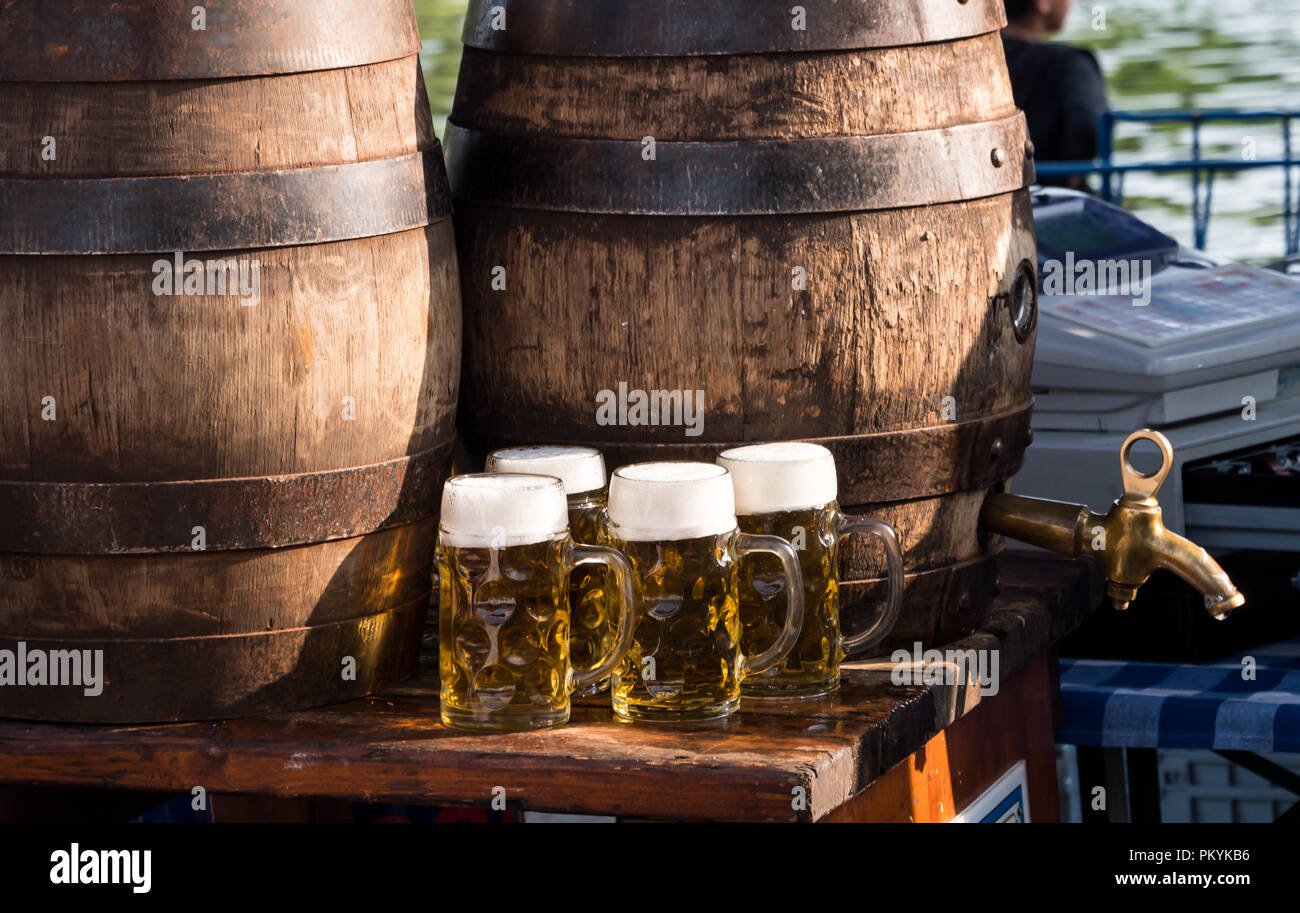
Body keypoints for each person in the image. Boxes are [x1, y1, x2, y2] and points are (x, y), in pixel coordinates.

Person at [1002, 0, 1109, 190]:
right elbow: (1089, 125)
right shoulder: (1071, 64)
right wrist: (1074, 175)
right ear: (1043, 3)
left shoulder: (972, 65)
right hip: (1057, 193)